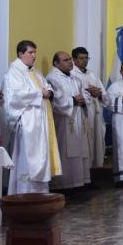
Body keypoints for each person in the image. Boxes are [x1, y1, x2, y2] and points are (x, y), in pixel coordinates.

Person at [2, 40, 61, 194]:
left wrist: (49, 92)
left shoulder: (34, 71)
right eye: (30, 52)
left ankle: (40, 192)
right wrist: (40, 93)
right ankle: (24, 192)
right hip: (27, 123)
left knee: (40, 155)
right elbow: (16, 96)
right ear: (20, 54)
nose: (34, 56)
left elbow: (46, 86)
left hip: (39, 121)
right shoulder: (13, 72)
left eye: (35, 52)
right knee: (27, 159)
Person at [46, 51, 89, 190]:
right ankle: (63, 185)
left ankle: (78, 183)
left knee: (78, 150)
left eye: (70, 59)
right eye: (65, 60)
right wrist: (73, 100)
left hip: (77, 117)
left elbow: (84, 95)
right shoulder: (52, 78)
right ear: (56, 63)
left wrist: (83, 100)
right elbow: (55, 101)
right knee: (65, 151)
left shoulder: (74, 78)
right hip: (63, 121)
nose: (70, 62)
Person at [71, 47, 109, 169]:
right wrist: (88, 91)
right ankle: (85, 171)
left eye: (87, 58)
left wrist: (99, 93)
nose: (85, 61)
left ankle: (95, 169)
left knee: (96, 141)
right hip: (83, 113)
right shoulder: (71, 74)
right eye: (81, 58)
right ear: (74, 59)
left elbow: (104, 93)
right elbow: (73, 93)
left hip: (96, 112)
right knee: (85, 143)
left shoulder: (92, 74)